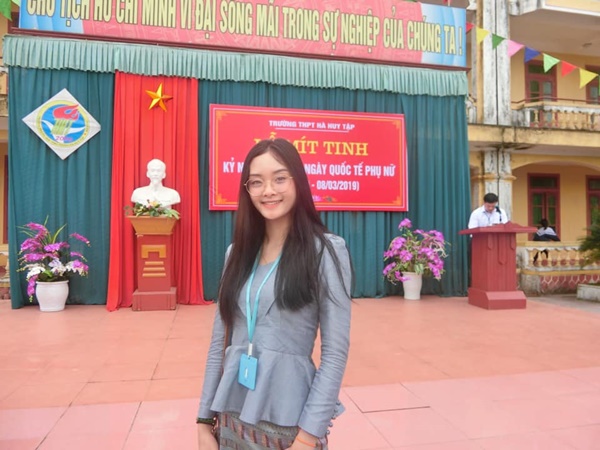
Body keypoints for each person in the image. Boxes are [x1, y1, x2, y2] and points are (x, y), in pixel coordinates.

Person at [197, 138, 353, 450]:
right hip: (230, 422)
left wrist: (307, 438)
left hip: (289, 428)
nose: (268, 190)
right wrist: (203, 422)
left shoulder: (325, 251)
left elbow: (335, 353)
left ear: (298, 182)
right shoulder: (236, 254)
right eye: (256, 182)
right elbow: (219, 343)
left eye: (279, 178)